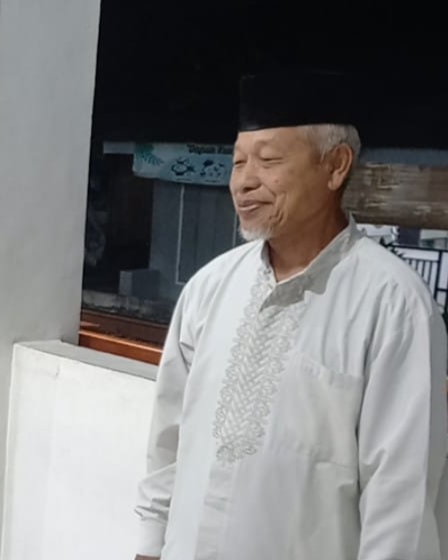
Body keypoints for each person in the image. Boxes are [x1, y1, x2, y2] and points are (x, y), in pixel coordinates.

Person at [134, 71, 448, 560]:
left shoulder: (393, 306)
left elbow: (400, 497)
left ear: (335, 166)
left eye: (269, 161)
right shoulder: (209, 288)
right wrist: (149, 547)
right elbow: (168, 442)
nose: (244, 182)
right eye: (238, 162)